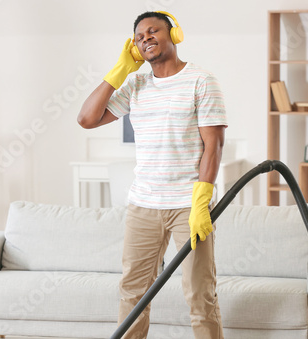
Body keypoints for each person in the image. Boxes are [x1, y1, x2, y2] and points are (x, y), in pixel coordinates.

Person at [77, 11, 226, 339]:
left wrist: (202, 200)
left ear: (174, 34)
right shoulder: (135, 85)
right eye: (139, 36)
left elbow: (213, 146)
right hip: (143, 206)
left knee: (200, 295)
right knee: (132, 295)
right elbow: (87, 119)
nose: (146, 38)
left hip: (188, 206)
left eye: (153, 31)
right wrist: (120, 71)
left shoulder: (202, 80)